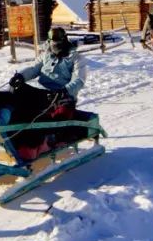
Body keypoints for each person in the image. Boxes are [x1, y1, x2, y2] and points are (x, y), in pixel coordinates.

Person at [5, 27, 98, 159]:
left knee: (57, 115)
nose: (55, 46)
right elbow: (33, 69)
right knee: (17, 92)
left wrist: (65, 90)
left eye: (58, 42)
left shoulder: (75, 57)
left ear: (64, 40)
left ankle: (53, 137)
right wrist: (21, 76)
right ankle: (9, 126)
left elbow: (79, 80)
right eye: (53, 42)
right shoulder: (46, 55)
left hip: (63, 96)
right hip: (42, 93)